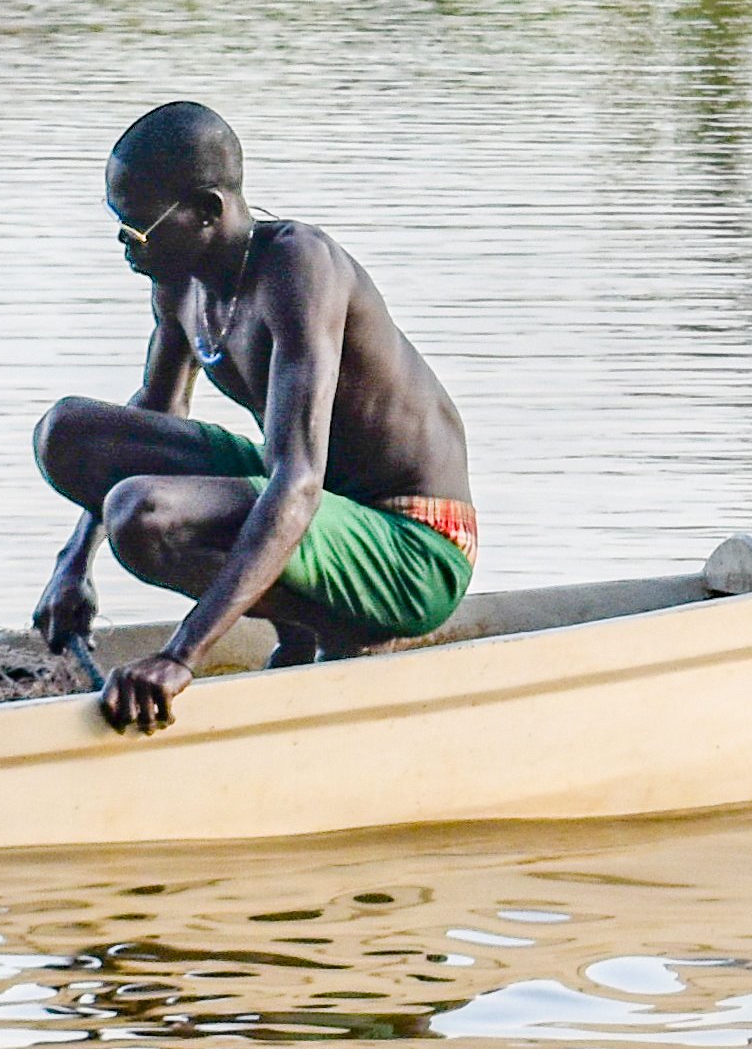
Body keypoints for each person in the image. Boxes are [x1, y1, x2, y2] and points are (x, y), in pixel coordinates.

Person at [28, 101, 483, 734]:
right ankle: (301, 626)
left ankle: (341, 632)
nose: (125, 247)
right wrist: (72, 565)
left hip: (411, 546)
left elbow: (296, 478)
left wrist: (182, 655)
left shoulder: (299, 268)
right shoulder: (177, 280)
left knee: (142, 514)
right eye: (117, 226)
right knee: (68, 434)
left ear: (208, 212)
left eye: (138, 230)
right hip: (319, 509)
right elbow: (151, 424)